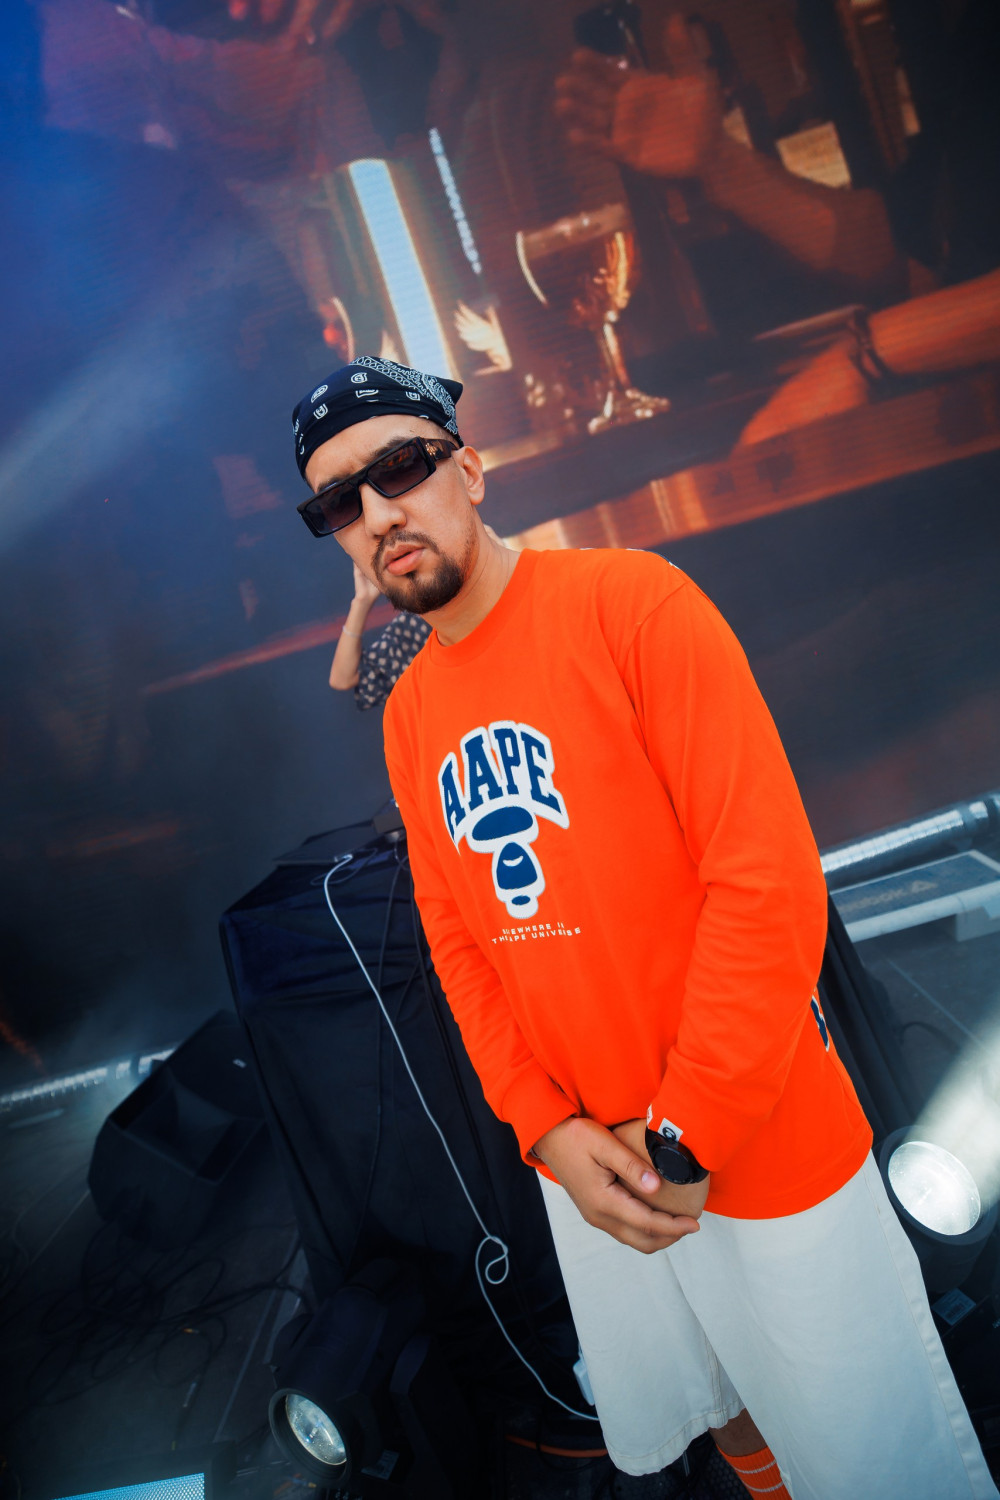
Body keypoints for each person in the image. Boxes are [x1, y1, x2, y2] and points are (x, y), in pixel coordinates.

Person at [289, 356, 998, 1498]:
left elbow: (764, 883)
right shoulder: (411, 710)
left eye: (401, 468)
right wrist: (545, 1131)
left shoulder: (633, 604)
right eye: (338, 501)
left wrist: (686, 1138)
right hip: (591, 1166)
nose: (376, 514)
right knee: (720, 1400)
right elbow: (458, 944)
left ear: (471, 468)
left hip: (748, 1136)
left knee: (876, 1456)